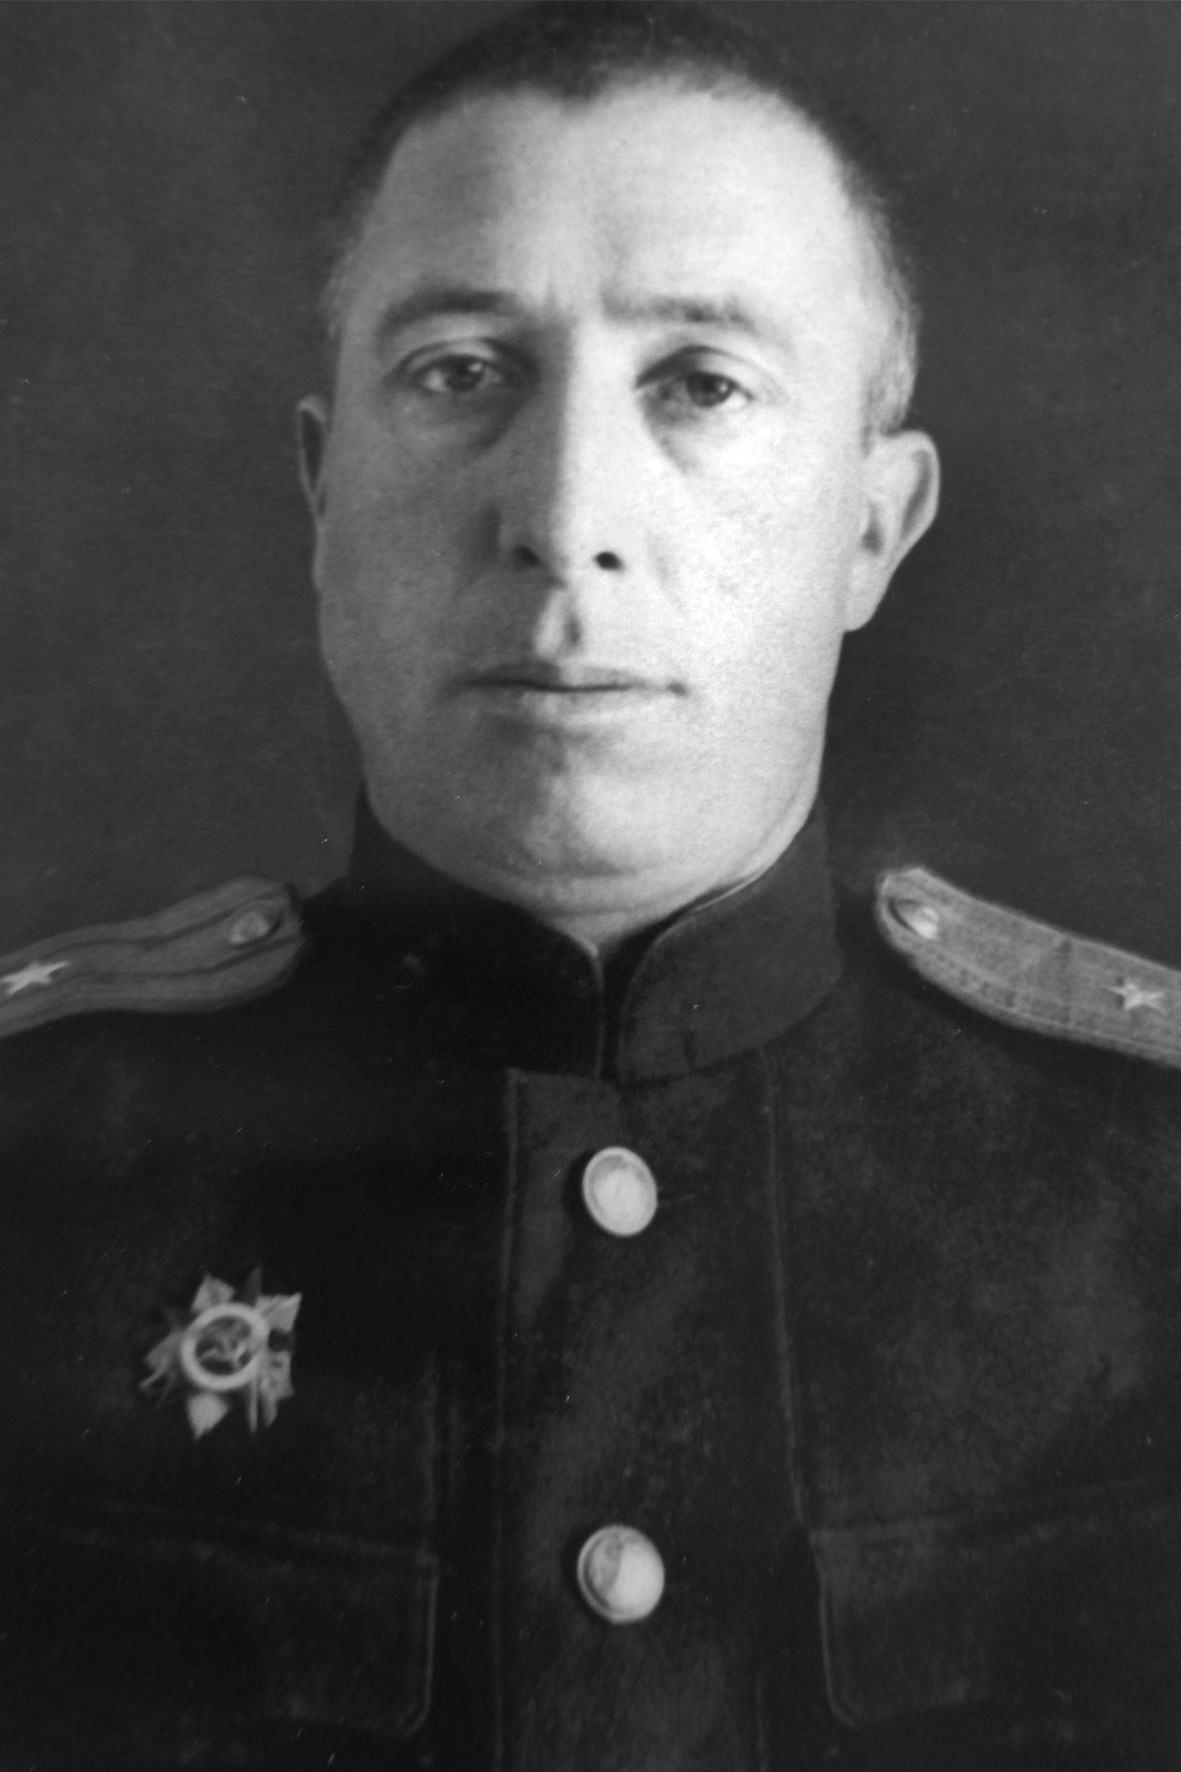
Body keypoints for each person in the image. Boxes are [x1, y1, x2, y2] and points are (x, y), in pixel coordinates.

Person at [2, 4, 1180, 1768]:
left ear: (870, 527)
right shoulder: (39, 1164)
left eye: (699, 383)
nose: (564, 516)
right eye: (460, 372)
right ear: (322, 493)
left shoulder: (1143, 1184)